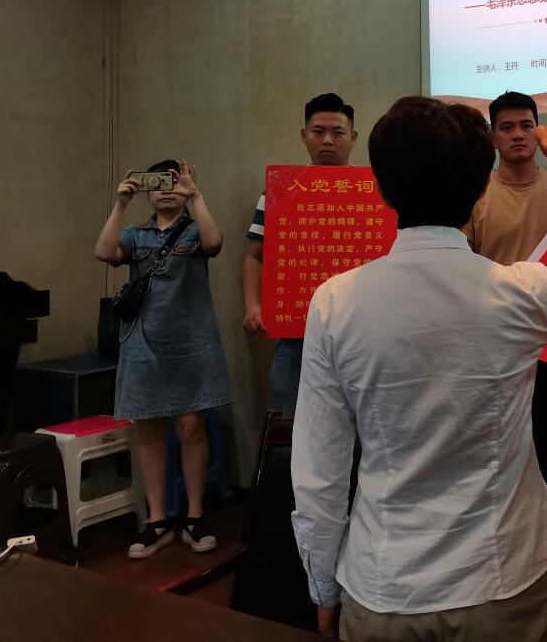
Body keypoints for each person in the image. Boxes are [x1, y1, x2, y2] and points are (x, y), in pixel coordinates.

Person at [291, 96, 547, 641]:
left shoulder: (334, 303)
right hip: (508, 580)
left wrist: (322, 587)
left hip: (383, 585)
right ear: (481, 188)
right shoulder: (522, 291)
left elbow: (320, 469)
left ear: (381, 188)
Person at [94, 159, 233, 559]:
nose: (167, 190)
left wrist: (197, 196)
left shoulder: (194, 229)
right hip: (143, 342)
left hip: (192, 341)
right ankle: (157, 520)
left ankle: (195, 515)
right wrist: (120, 203)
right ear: (146, 191)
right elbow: (104, 252)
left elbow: (214, 243)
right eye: (158, 184)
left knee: (191, 427)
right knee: (149, 429)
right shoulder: (135, 234)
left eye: (175, 183)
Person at [464, 91, 547, 496]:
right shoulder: (475, 194)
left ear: (538, 132)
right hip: (494, 339)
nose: (518, 135)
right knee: (495, 446)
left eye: (527, 126)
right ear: (493, 137)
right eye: (507, 127)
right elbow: (462, 268)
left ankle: (544, 527)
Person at [242, 92, 358, 417]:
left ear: (353, 138)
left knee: (362, 431)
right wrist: (252, 305)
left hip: (359, 334)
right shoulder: (279, 191)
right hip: (296, 335)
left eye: (337, 132)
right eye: (318, 131)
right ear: (304, 135)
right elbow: (254, 256)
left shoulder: (377, 193)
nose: (327, 140)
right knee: (291, 425)